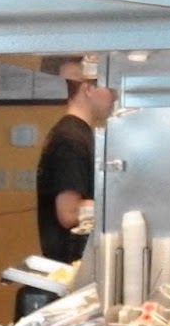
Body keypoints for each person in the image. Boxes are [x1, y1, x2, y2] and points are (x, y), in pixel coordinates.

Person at [36, 56, 113, 265]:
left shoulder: (79, 134)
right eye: (109, 88)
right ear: (88, 88)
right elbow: (68, 213)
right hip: (71, 262)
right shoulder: (70, 139)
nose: (114, 96)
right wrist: (118, 204)